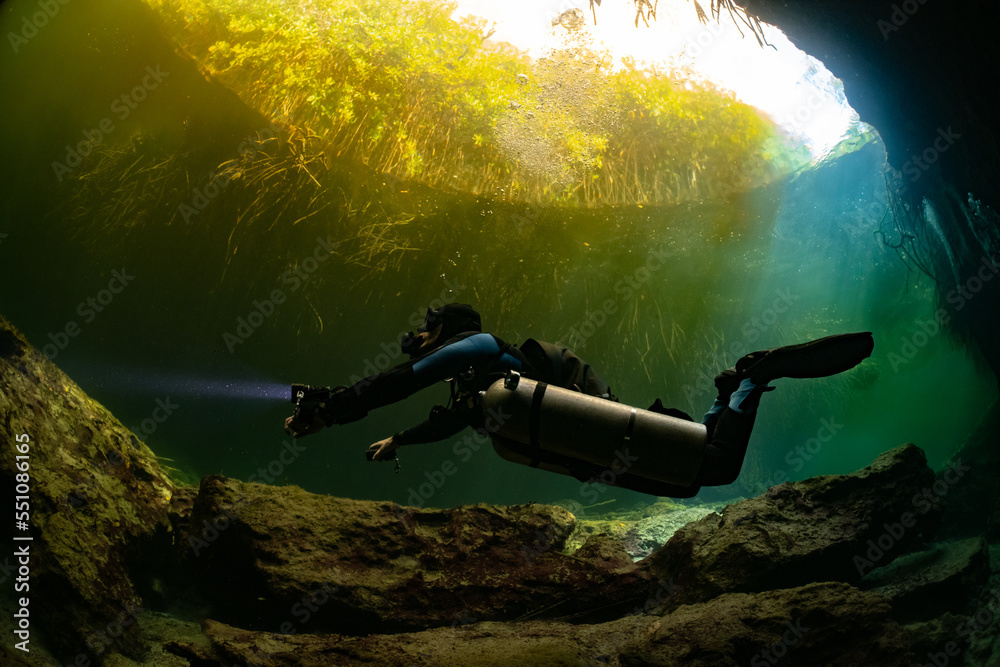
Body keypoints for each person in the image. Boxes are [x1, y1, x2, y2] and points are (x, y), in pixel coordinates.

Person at [284, 303, 874, 497]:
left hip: (591, 424)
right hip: (583, 437)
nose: (416, 334)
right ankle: (732, 391)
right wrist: (400, 439)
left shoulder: (481, 349)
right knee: (697, 475)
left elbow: (403, 380)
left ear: (448, 330)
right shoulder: (483, 383)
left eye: (426, 326)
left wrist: (333, 407)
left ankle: (751, 378)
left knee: (714, 469)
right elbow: (449, 419)